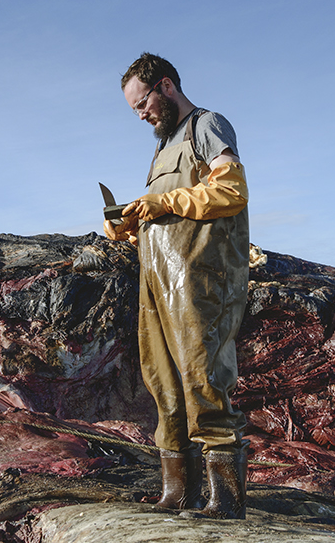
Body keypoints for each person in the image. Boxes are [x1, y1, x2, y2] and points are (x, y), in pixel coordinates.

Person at [104, 53, 251, 519]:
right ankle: (179, 492)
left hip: (200, 277)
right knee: (163, 381)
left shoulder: (206, 126)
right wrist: (129, 224)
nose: (140, 115)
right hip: (158, 280)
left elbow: (231, 191)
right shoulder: (162, 148)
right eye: (134, 110)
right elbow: (167, 215)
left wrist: (163, 202)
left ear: (165, 86)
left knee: (203, 376)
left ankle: (226, 500)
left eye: (142, 104)